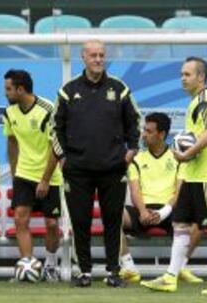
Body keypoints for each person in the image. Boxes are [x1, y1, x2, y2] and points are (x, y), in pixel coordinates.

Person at [141, 57, 207, 295]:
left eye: (187, 74)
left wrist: (187, 154)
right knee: (180, 224)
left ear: (201, 77)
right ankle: (171, 277)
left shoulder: (205, 101)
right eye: (182, 74)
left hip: (206, 177)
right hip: (193, 176)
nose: (182, 78)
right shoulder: (196, 101)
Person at [51, 39, 141, 288]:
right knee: (80, 222)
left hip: (113, 169)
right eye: (93, 55)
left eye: (102, 55)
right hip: (77, 171)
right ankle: (85, 272)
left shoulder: (120, 89)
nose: (98, 59)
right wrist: (62, 157)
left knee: (113, 222)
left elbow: (136, 122)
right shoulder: (67, 91)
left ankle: (113, 271)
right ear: (83, 58)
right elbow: (54, 128)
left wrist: (132, 149)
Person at [120, 112, 202, 284]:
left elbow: (179, 192)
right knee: (112, 215)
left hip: (170, 209)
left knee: (198, 221)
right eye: (144, 130)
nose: (143, 134)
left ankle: (179, 268)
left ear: (162, 134)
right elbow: (135, 191)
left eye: (149, 131)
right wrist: (142, 211)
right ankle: (129, 267)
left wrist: (164, 212)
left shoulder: (179, 157)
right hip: (144, 209)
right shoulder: (137, 158)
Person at [3, 69, 62, 282]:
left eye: (8, 89)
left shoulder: (47, 110)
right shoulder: (9, 112)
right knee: (20, 219)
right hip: (24, 174)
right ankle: (28, 267)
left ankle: (50, 265)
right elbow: (11, 141)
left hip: (50, 174)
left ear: (21, 89)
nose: (5, 93)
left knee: (52, 225)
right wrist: (15, 172)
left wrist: (45, 179)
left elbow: (54, 147)